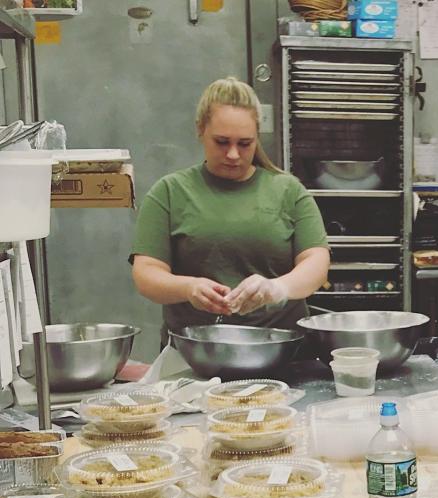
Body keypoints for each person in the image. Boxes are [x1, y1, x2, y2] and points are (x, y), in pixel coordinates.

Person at [131, 77, 330, 336]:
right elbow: (146, 273)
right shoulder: (169, 192)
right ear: (200, 130)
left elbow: (316, 261)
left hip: (284, 350)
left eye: (245, 143)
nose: (234, 154)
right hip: (195, 353)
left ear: (257, 136)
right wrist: (188, 288)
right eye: (222, 142)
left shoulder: (289, 191)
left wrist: (277, 288)